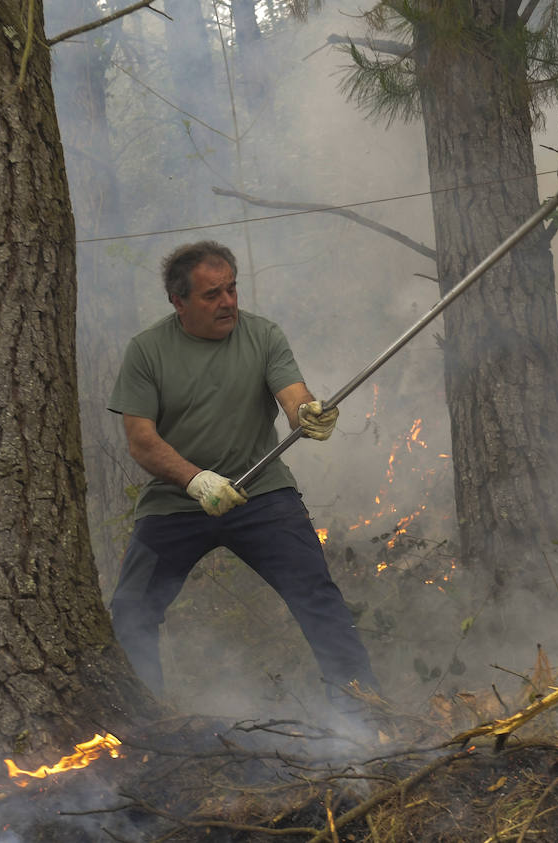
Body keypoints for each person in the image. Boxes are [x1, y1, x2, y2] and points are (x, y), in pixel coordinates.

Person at [108, 240, 379, 710]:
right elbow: (141, 441)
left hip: (262, 493)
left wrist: (307, 412)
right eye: (212, 295)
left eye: (232, 289)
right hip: (176, 503)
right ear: (179, 302)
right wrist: (197, 482)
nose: (228, 302)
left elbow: (292, 395)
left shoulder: (263, 335)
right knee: (132, 611)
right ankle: (143, 727)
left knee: (317, 596)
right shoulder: (147, 352)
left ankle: (364, 710)